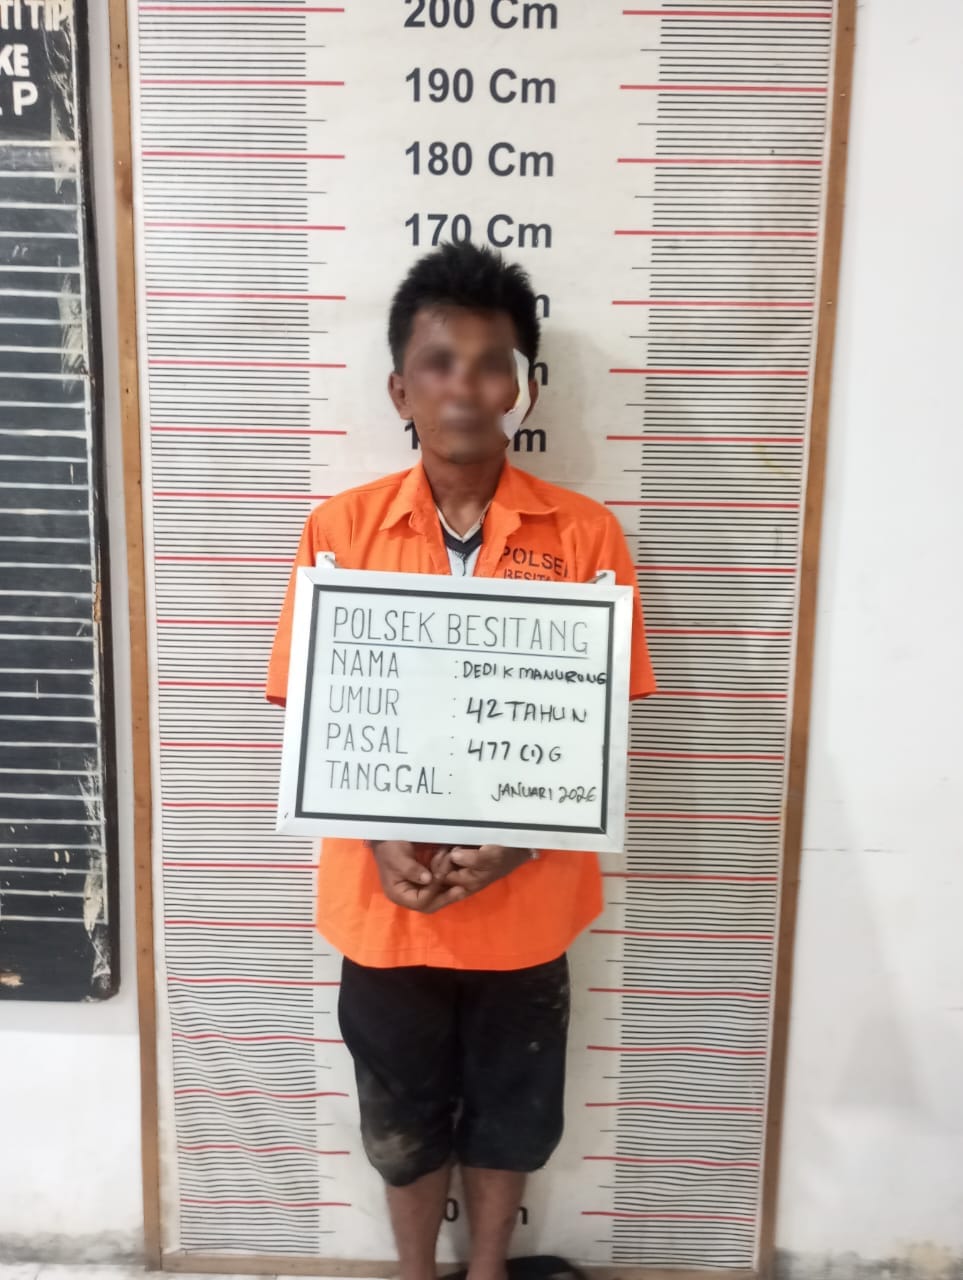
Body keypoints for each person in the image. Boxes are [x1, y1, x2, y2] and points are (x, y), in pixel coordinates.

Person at [266, 242, 657, 1280]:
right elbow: (319, 720)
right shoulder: (338, 534)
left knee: (514, 1115)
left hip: (527, 908)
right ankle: (414, 1272)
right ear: (400, 389)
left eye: (491, 364)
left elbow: (599, 725)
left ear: (521, 386)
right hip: (384, 903)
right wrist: (381, 837)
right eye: (438, 363)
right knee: (398, 1119)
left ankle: (486, 1270)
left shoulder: (585, 538)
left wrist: (519, 842)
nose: (464, 387)